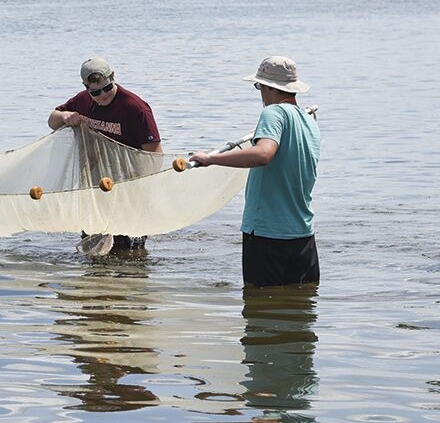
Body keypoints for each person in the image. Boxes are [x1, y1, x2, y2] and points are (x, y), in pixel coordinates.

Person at [190, 56, 320, 287]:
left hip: (267, 234)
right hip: (303, 235)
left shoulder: (273, 114)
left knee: (259, 308)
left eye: (258, 86)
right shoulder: (308, 121)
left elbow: (263, 154)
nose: (259, 92)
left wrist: (211, 159)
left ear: (269, 87)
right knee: (299, 311)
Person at [48, 57, 162, 253]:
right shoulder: (82, 101)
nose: (102, 95)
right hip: (95, 185)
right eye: (95, 92)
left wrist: (136, 188)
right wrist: (64, 116)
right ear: (86, 88)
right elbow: (52, 120)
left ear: (113, 77)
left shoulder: (135, 107)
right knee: (93, 242)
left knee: (128, 248)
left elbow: (153, 151)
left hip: (129, 184)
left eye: (107, 88)